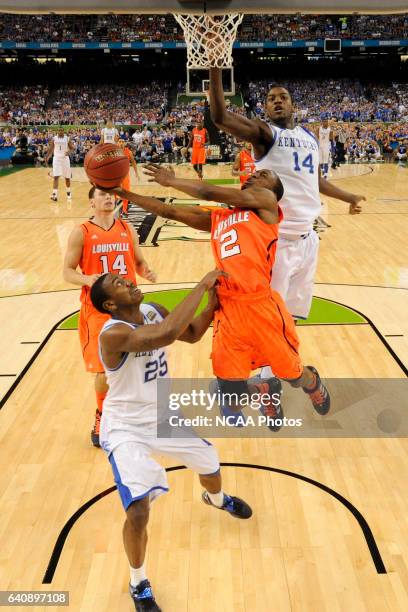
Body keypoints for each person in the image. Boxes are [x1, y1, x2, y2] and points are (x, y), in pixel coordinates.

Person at [107, 164, 331, 431]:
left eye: (264, 175)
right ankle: (259, 388)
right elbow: (169, 211)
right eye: (256, 173)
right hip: (228, 308)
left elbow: (206, 190)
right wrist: (123, 193)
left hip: (260, 306)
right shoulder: (220, 218)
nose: (255, 175)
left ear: (273, 190)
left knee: (291, 374)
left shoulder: (267, 205)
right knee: (231, 394)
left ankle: (312, 383)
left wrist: (172, 181)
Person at [90, 269, 252, 611]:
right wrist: (202, 282)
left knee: (209, 462)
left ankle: (218, 500)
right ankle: (139, 583)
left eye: (126, 278)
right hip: (125, 428)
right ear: (109, 303)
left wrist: (211, 304)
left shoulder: (153, 310)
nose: (129, 281)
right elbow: (163, 336)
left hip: (163, 415)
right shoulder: (113, 334)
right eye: (120, 284)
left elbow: (189, 333)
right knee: (137, 510)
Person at [208, 69, 366, 381]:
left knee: (289, 315)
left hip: (308, 238)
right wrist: (216, 69)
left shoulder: (307, 137)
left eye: (283, 98)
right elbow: (221, 117)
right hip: (275, 239)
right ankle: (265, 378)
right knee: (267, 317)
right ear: (264, 108)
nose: (277, 102)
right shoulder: (265, 134)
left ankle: (279, 367)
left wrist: (348, 196)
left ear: (293, 104)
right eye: (271, 99)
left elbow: (314, 179)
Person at [63, 186, 156, 447]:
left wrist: (145, 270)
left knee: (135, 364)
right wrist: (86, 279)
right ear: (91, 203)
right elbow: (67, 271)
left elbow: (138, 261)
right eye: (101, 195)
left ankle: (135, 416)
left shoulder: (127, 229)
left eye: (109, 194)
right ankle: (102, 415)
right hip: (99, 308)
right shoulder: (81, 233)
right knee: (104, 369)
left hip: (128, 309)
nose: (107, 198)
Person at [45, 128, 74, 202]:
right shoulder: (54, 139)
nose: (60, 131)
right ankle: (54, 195)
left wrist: (69, 152)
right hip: (56, 159)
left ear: (63, 131)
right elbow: (51, 149)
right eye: (59, 130)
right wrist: (47, 156)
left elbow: (72, 148)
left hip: (65, 159)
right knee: (56, 177)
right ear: (57, 131)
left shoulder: (67, 138)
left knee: (67, 177)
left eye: (62, 130)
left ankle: (68, 193)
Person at [118, 140, 138, 217]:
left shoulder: (128, 152)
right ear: (117, 143)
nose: (121, 143)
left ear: (125, 143)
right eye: (120, 141)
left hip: (125, 174)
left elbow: (133, 162)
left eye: (122, 141)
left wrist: (136, 173)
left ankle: (124, 209)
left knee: (125, 192)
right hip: (116, 175)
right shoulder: (114, 152)